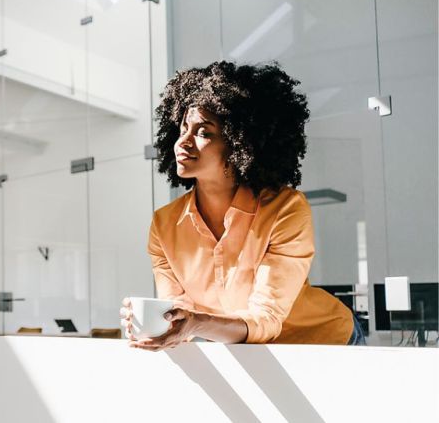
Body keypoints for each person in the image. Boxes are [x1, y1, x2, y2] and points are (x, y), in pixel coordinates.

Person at [119, 61, 365, 350]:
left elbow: (265, 319)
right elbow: (179, 312)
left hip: (324, 341)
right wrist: (163, 323)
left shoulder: (285, 209)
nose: (182, 143)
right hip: (247, 353)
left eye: (203, 132)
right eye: (183, 128)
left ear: (240, 143)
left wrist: (196, 323)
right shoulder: (164, 225)